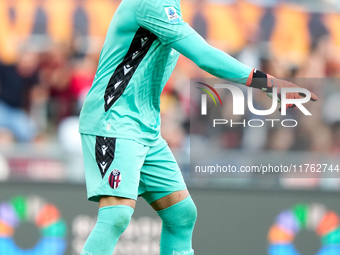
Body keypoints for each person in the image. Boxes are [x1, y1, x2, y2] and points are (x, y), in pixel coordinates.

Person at [78, 0, 318, 254]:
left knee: (181, 215)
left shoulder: (170, 6)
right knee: (116, 215)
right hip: (113, 121)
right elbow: (204, 56)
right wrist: (268, 83)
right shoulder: (152, 2)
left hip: (144, 128)